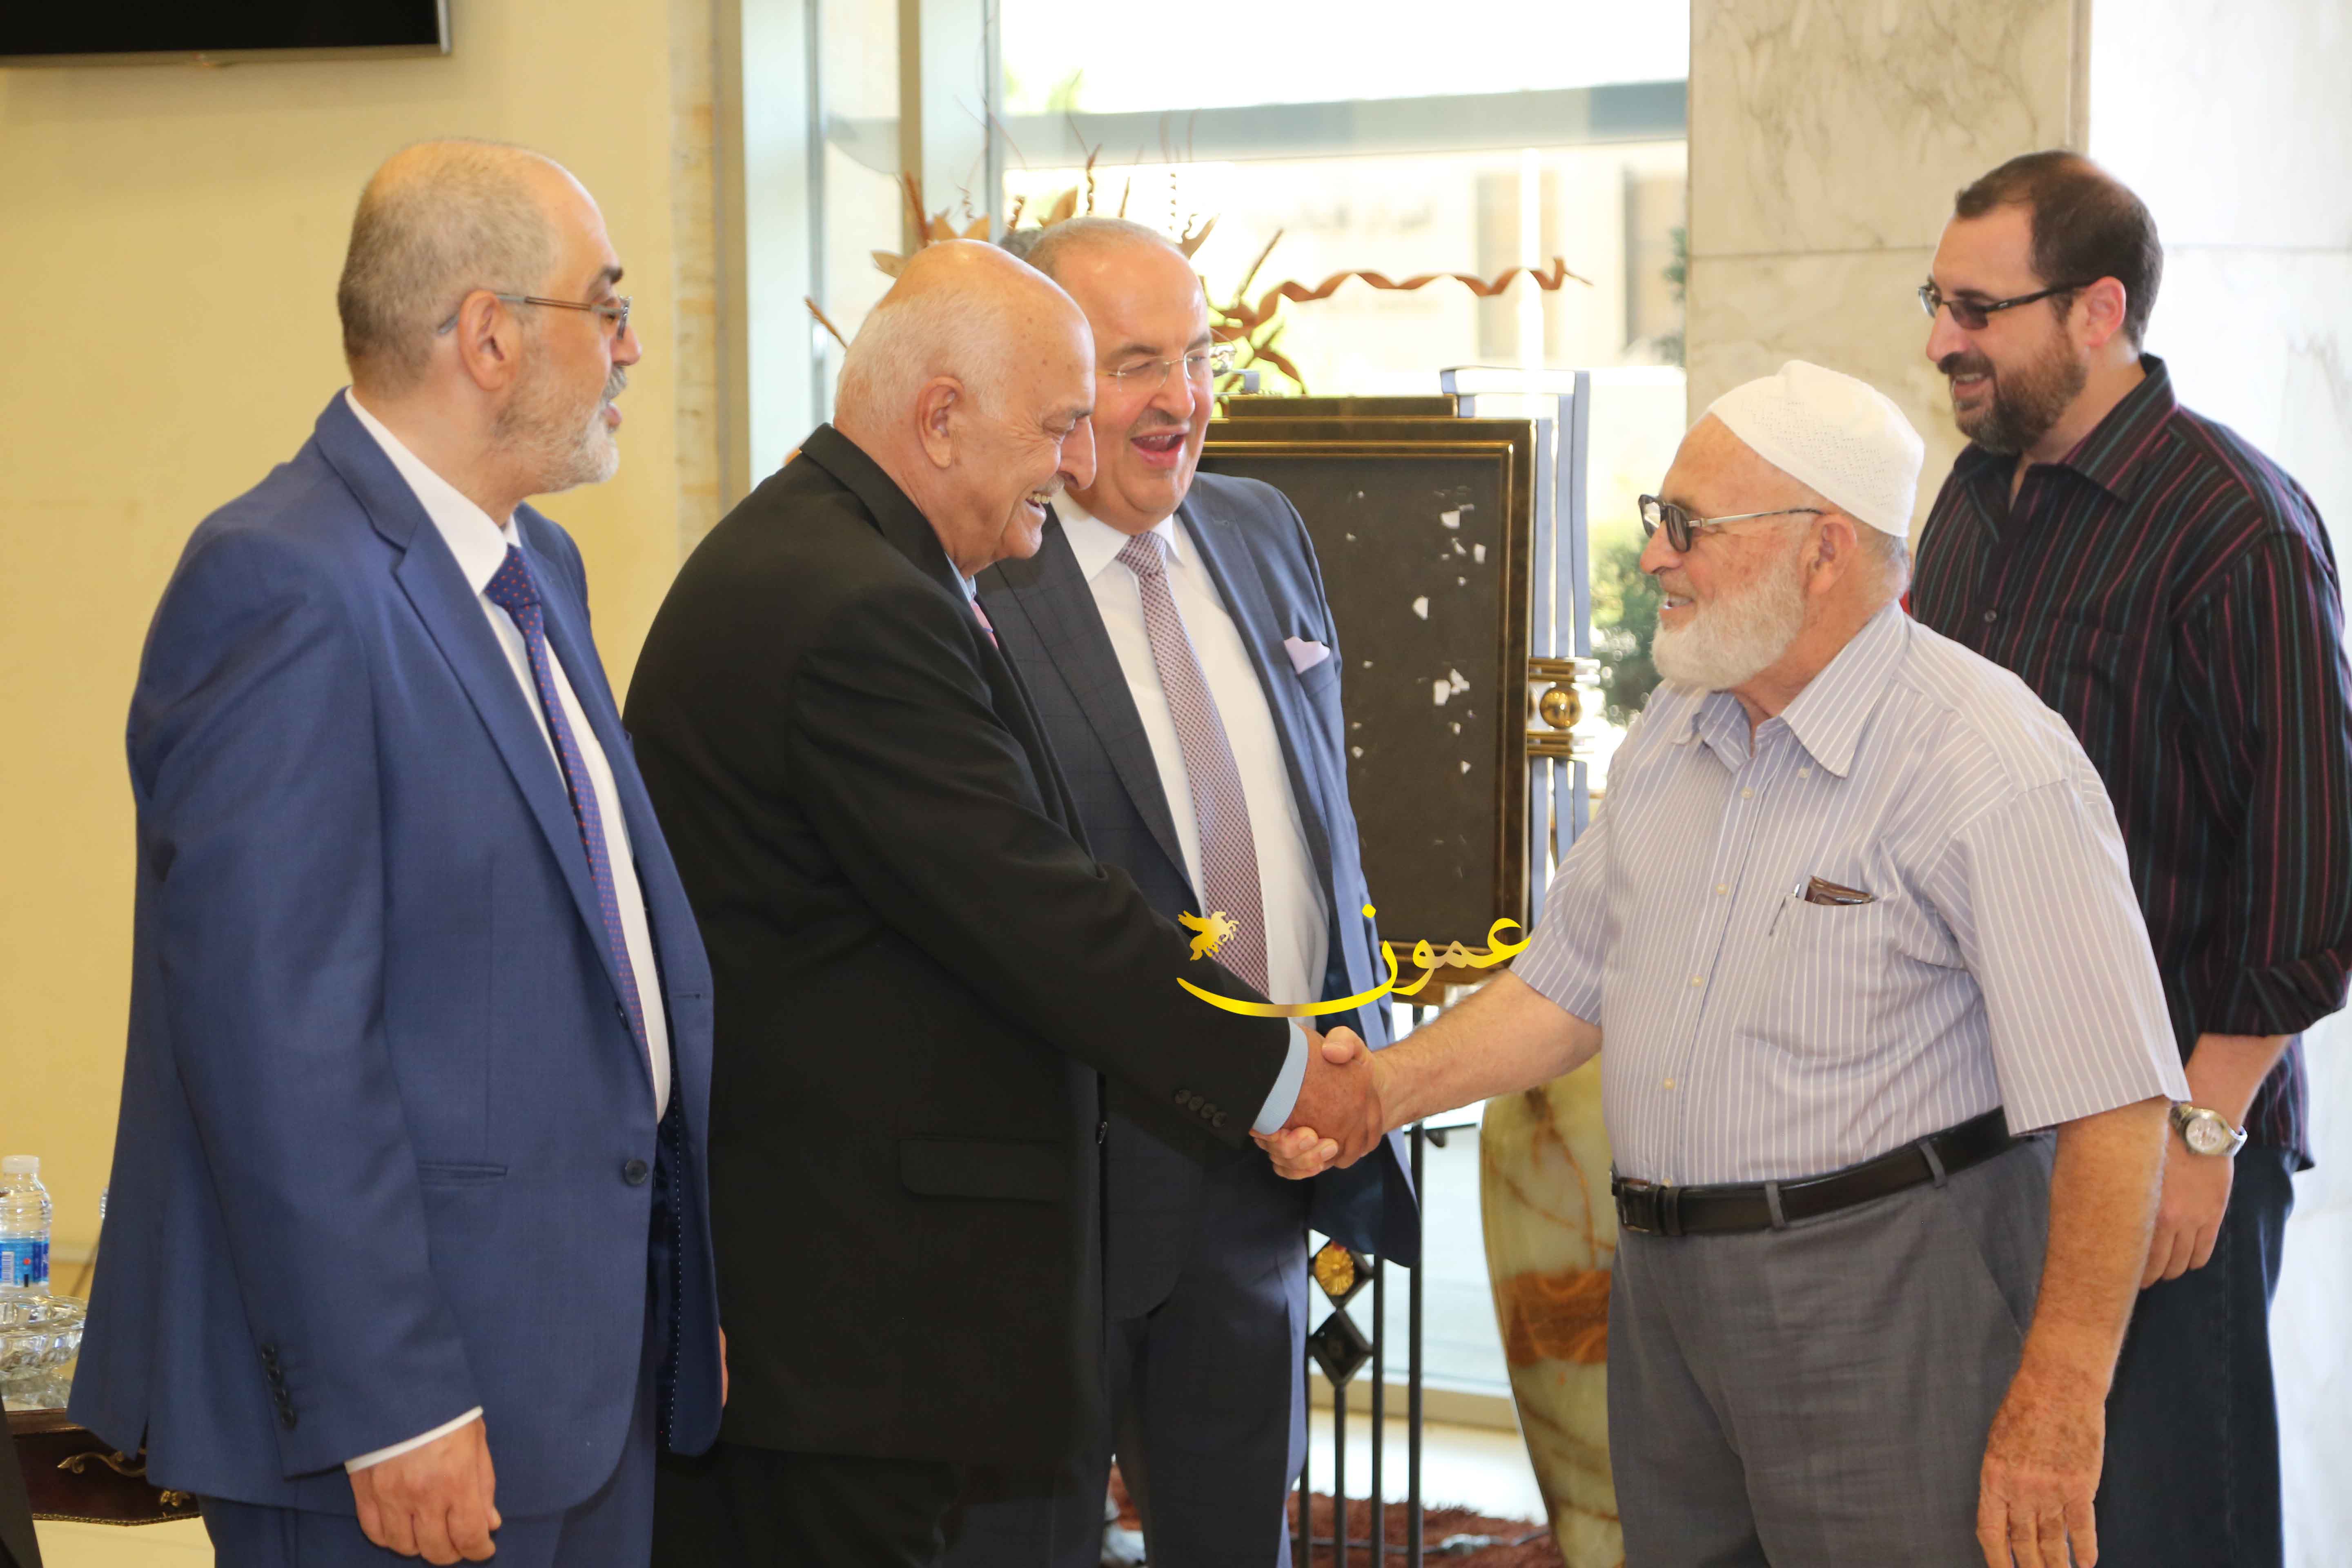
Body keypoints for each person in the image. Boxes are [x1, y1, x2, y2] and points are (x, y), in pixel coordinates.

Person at [1265, 361, 2193, 1568]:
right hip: (1664, 1299)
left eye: (1689, 525)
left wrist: (2063, 1400)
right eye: (1660, 518)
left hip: (1889, 1299)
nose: (1656, 556)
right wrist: (1380, 1091)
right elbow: (1564, 985)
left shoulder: (1991, 761)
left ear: (1824, 549)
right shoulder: (1677, 727)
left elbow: (2118, 1105)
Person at [624, 239, 1380, 1566]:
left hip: (874, 1290)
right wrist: (1282, 1074)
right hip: (852, 1312)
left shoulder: (842, 556)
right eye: (1058, 424)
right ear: (941, 419)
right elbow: (1040, 913)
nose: (1075, 464)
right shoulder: (852, 603)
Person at [69, 140, 725, 1568]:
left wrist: (676, 1294)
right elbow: (277, 1042)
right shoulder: (283, 580)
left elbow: (595, 964)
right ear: (489, 336)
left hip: (576, 1378)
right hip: (403, 1424)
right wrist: (393, 1403)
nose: (629, 348)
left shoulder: (536, 566)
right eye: (605, 306)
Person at [940, 217, 1414, 1568]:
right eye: (1136, 363)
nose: (1183, 401)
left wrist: (1351, 1065)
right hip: (1059, 1197)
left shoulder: (1263, 531)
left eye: (1199, 357)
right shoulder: (978, 573)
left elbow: (1322, 825)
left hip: (1264, 1171)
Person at [1910, 150, 2352, 1568]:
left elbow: (2314, 875)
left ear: (2097, 312)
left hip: (2164, 1149)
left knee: (2166, 1531)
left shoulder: (2237, 525)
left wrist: (2202, 1136)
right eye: (1937, 303)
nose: (1944, 341)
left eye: (1980, 310)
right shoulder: (1973, 499)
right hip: (1983, 1136)